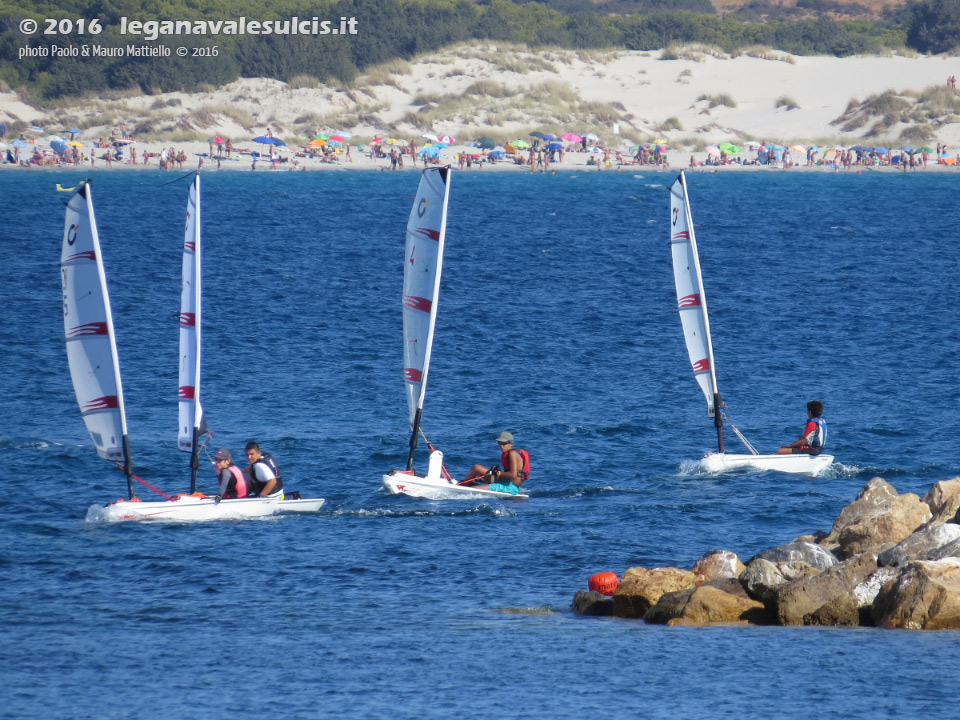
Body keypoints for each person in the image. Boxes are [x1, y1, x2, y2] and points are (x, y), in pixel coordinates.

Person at [462, 431, 529, 495]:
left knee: (474, 489)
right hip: (504, 481)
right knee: (476, 468)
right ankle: (464, 484)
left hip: (510, 487)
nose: (501, 446)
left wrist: (496, 473)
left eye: (504, 443)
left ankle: (468, 486)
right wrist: (495, 472)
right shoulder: (506, 453)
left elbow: (512, 475)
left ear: (511, 444)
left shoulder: (512, 453)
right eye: (499, 443)